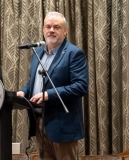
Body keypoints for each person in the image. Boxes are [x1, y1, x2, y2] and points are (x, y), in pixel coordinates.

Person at [17, 11, 88, 160]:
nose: (51, 30)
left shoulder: (73, 53)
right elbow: (35, 82)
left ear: (65, 31)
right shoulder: (38, 53)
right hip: (39, 124)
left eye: (56, 27)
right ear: (43, 29)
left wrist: (48, 95)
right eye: (48, 26)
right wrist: (24, 91)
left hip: (62, 126)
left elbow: (81, 86)